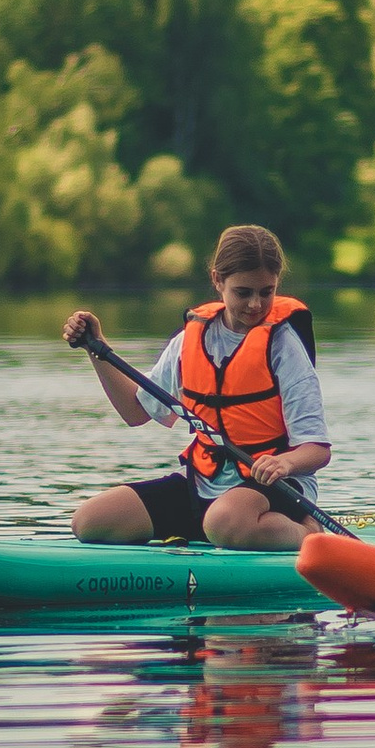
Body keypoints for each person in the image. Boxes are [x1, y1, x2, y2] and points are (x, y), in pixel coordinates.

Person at [62, 223, 333, 552]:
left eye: (267, 291)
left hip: (274, 488)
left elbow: (317, 450)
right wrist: (96, 347)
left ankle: (308, 534)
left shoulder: (283, 346)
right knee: (90, 521)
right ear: (218, 280)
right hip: (203, 483)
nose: (256, 304)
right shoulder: (190, 340)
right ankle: (215, 530)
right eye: (243, 292)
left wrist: (284, 464)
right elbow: (135, 412)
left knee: (225, 520)